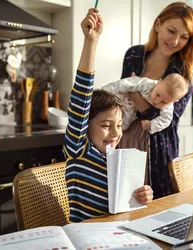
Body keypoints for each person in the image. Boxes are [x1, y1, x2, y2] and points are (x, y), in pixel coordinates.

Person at [63, 8, 153, 223]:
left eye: (119, 125)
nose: (115, 133)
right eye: (106, 125)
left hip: (119, 233)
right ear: (85, 126)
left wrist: (142, 196)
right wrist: (91, 42)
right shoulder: (80, 150)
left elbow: (129, 208)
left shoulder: (117, 159)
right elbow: (81, 94)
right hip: (87, 235)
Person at [118, 2, 193, 199]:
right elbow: (122, 97)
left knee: (158, 207)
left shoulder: (185, 70)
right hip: (126, 140)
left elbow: (165, 119)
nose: (175, 41)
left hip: (160, 148)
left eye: (184, 37)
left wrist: (135, 96)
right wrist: (140, 101)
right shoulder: (134, 54)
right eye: (171, 31)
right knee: (124, 203)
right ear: (158, 25)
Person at [102, 73, 188, 134]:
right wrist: (106, 91)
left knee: (122, 126)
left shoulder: (168, 106)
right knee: (106, 108)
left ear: (173, 101)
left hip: (131, 112)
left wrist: (151, 125)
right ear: (158, 82)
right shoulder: (147, 84)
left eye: (164, 102)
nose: (157, 101)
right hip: (122, 98)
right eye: (158, 95)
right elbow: (125, 83)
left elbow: (166, 120)